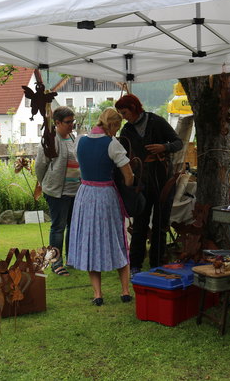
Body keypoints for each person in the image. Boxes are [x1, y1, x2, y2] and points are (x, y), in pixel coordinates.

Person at [68, 108, 135, 306]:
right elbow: (129, 177)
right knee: (116, 238)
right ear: (113, 125)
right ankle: (124, 291)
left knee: (90, 241)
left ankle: (98, 295)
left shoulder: (79, 140)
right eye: (117, 127)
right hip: (105, 195)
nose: (117, 131)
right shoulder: (112, 144)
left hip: (85, 194)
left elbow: (82, 164)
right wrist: (128, 186)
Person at [115, 93, 183, 275]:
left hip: (163, 180)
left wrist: (164, 147)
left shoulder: (156, 121)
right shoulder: (127, 130)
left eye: (124, 112)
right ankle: (135, 265)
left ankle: (157, 264)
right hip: (141, 182)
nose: (123, 117)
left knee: (161, 224)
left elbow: (178, 142)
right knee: (139, 225)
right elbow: (122, 154)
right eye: (120, 114)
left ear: (133, 107)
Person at [35, 106, 80, 276]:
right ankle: (56, 263)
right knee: (58, 228)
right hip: (57, 193)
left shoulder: (72, 137)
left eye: (72, 122)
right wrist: (45, 184)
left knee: (73, 227)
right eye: (68, 122)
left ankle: (72, 259)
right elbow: (40, 166)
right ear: (57, 123)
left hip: (75, 191)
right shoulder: (51, 139)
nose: (71, 125)